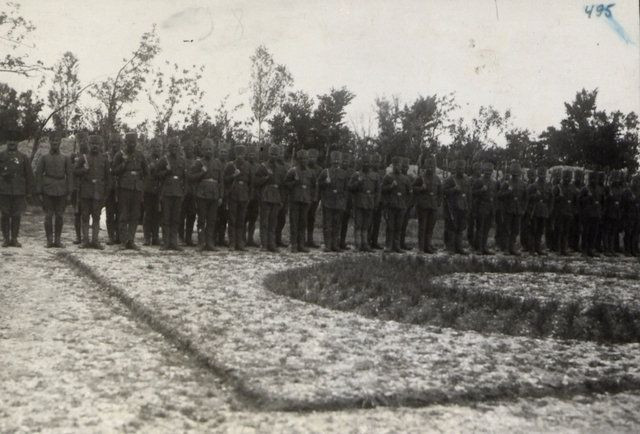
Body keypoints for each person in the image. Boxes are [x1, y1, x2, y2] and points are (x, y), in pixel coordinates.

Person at [35, 133, 73, 248]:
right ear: (50, 142)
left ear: (60, 142)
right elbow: (38, 174)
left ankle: (57, 240)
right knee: (48, 215)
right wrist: (39, 191)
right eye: (53, 141)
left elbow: (70, 175)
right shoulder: (44, 158)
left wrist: (69, 192)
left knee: (60, 216)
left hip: (61, 190)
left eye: (57, 141)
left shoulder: (65, 158)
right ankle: (49, 240)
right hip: (48, 189)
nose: (55, 143)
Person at [111, 132, 147, 250]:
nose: (132, 144)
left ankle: (131, 239)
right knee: (123, 215)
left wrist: (139, 176)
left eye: (134, 142)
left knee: (135, 215)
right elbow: (114, 171)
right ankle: (124, 240)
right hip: (124, 189)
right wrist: (124, 163)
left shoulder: (140, 155)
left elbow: (146, 171)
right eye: (129, 142)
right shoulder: (119, 155)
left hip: (136, 189)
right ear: (125, 142)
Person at [74, 135, 110, 249]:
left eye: (97, 144)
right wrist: (84, 170)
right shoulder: (83, 158)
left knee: (96, 217)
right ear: (89, 145)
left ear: (100, 146)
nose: (95, 146)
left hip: (98, 194)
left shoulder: (104, 159)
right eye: (92, 144)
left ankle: (95, 241)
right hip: (85, 193)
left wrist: (105, 194)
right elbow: (74, 171)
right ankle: (85, 241)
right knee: (85, 217)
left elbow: (108, 178)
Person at [189, 138, 223, 251]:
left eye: (210, 149)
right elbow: (191, 177)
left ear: (213, 150)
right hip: (202, 195)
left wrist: (221, 196)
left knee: (212, 220)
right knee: (201, 220)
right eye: (206, 149)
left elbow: (221, 181)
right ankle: (201, 242)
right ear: (202, 150)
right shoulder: (199, 163)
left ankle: (210, 243)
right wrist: (201, 173)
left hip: (214, 195)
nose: (208, 151)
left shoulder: (218, 162)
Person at [0, 140, 33, 247]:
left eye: (14, 141)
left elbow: (29, 175)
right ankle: (5, 239)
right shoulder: (1, 156)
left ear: (17, 143)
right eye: (9, 141)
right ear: (7, 143)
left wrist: (28, 192)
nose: (12, 143)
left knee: (16, 215)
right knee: (5, 215)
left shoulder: (23, 157)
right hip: (4, 190)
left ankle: (14, 239)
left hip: (19, 191)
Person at [254, 144, 287, 252]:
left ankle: (272, 244)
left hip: (276, 196)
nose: (274, 156)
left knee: (273, 222)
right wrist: (266, 178)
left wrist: (282, 199)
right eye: (272, 154)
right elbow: (256, 182)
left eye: (276, 154)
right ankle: (264, 244)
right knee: (264, 221)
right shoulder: (262, 167)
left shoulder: (281, 168)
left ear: (278, 155)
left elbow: (282, 185)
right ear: (269, 154)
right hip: (266, 195)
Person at [156, 137, 186, 251]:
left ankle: (174, 242)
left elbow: (185, 178)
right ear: (169, 148)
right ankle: (166, 242)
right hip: (167, 192)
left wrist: (183, 192)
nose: (174, 148)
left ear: (178, 148)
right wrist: (166, 171)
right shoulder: (164, 160)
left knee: (175, 218)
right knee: (166, 218)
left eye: (176, 147)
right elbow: (157, 175)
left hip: (178, 192)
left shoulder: (182, 160)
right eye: (172, 146)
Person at [284, 149, 314, 253]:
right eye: (302, 159)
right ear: (298, 160)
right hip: (295, 200)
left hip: (305, 200)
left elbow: (313, 186)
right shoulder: (293, 171)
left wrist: (311, 198)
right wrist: (294, 182)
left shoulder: (310, 172)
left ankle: (301, 244)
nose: (304, 161)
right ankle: (294, 245)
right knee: (294, 223)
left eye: (305, 159)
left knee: (303, 223)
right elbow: (286, 184)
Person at [318, 150, 348, 252]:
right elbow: (318, 185)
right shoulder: (325, 172)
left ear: (340, 161)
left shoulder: (344, 173)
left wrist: (343, 202)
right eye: (334, 161)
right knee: (327, 224)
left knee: (337, 225)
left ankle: (335, 245)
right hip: (328, 202)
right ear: (331, 161)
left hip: (339, 203)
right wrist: (325, 183)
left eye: (338, 161)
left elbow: (346, 189)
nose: (336, 162)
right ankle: (327, 245)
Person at [224, 144, 252, 250]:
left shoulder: (248, 165)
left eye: (242, 154)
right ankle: (232, 242)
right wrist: (233, 176)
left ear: (245, 154)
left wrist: (249, 195)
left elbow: (251, 182)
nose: (240, 156)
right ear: (235, 154)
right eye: (238, 153)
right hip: (233, 195)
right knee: (232, 219)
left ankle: (240, 243)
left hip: (244, 195)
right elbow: (225, 179)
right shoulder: (230, 165)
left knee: (241, 220)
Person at [413, 156, 442, 254]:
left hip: (433, 206)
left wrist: (438, 202)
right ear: (425, 166)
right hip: (423, 206)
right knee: (422, 227)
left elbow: (440, 192)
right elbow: (413, 189)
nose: (430, 168)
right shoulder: (421, 177)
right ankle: (421, 247)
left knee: (430, 228)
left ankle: (427, 246)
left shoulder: (437, 178)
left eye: (432, 166)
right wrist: (421, 188)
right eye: (429, 165)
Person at [381, 156, 411, 253]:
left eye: (399, 165)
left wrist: (406, 204)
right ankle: (389, 245)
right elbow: (382, 190)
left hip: (401, 206)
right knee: (390, 227)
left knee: (399, 226)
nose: (398, 167)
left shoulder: (405, 179)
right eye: (396, 165)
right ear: (393, 166)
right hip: (391, 206)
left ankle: (397, 246)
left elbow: (409, 193)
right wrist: (391, 186)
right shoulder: (388, 177)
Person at [348, 154, 377, 251]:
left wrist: (375, 202)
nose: (366, 164)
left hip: (370, 202)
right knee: (358, 225)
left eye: (368, 163)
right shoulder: (356, 175)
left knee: (366, 225)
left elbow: (378, 191)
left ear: (370, 164)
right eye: (364, 162)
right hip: (359, 202)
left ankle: (365, 244)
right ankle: (358, 245)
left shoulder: (375, 175)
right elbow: (350, 187)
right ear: (361, 164)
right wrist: (358, 182)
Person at [498, 161, 527, 256]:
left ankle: (512, 248)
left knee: (515, 230)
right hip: (508, 209)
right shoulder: (506, 184)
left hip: (518, 210)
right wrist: (508, 192)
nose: (515, 175)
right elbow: (500, 196)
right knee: (506, 229)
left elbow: (525, 198)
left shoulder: (523, 184)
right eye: (514, 173)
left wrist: (523, 209)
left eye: (517, 173)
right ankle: (505, 248)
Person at [443, 159, 470, 255]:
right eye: (459, 168)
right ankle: (450, 248)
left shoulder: (466, 179)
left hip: (463, 206)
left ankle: (459, 247)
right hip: (452, 207)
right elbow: (443, 191)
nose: (461, 170)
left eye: (462, 168)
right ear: (455, 169)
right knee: (451, 227)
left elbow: (468, 193)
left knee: (460, 228)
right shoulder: (450, 179)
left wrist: (468, 206)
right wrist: (453, 189)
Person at [472, 161, 496, 255]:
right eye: (486, 170)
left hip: (490, 207)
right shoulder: (479, 181)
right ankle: (479, 248)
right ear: (483, 170)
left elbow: (495, 195)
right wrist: (481, 190)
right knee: (480, 228)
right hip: (481, 207)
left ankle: (485, 247)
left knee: (486, 229)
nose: (488, 172)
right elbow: (473, 193)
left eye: (490, 170)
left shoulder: (494, 182)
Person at [552, 169, 578, 256]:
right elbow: (552, 200)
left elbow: (575, 200)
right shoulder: (557, 187)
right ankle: (558, 249)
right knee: (559, 231)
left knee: (566, 232)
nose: (567, 179)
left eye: (569, 177)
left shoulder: (572, 187)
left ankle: (564, 249)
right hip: (560, 213)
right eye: (566, 177)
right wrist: (559, 197)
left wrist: (573, 211)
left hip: (568, 213)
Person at [527, 166, 552, 255]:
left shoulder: (548, 185)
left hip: (544, 211)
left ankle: (538, 248)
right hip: (535, 210)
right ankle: (531, 249)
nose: (542, 176)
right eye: (541, 174)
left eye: (544, 174)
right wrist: (534, 195)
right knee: (533, 230)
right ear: (538, 175)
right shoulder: (533, 186)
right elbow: (527, 198)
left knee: (540, 230)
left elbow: (551, 199)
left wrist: (549, 209)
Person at [142, 138, 162, 246]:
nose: (157, 149)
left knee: (157, 214)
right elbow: (146, 173)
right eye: (155, 147)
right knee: (148, 214)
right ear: (151, 148)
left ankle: (155, 237)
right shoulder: (147, 159)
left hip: (159, 190)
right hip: (148, 189)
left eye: (159, 147)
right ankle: (146, 238)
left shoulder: (163, 159)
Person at [579, 171, 603, 257]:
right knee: (586, 233)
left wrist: (600, 211)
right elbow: (580, 201)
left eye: (595, 179)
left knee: (594, 233)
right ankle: (584, 250)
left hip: (596, 214)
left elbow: (602, 201)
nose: (594, 181)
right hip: (587, 214)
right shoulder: (585, 189)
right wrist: (588, 197)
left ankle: (590, 249)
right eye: (592, 179)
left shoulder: (599, 189)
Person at [71, 132, 89, 245]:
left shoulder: (89, 157)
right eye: (80, 141)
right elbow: (72, 171)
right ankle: (78, 236)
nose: (82, 144)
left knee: (85, 214)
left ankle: (85, 236)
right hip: (76, 188)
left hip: (86, 188)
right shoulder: (73, 156)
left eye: (84, 142)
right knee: (77, 214)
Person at [105, 134, 122, 245]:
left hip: (121, 189)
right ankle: (111, 236)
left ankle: (119, 236)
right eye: (112, 143)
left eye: (117, 142)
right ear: (109, 144)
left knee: (121, 213)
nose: (114, 145)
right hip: (109, 189)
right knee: (110, 213)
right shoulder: (105, 156)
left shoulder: (123, 156)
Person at [180, 139, 197, 246]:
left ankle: (188, 238)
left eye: (191, 149)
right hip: (183, 192)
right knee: (181, 215)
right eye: (187, 149)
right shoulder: (181, 161)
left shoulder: (197, 162)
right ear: (184, 150)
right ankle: (180, 237)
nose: (189, 151)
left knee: (192, 215)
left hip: (193, 192)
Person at [305, 148, 322, 248]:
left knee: (311, 218)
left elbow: (320, 185)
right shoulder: (304, 167)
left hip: (315, 197)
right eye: (310, 157)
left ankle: (310, 240)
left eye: (314, 157)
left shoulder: (319, 170)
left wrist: (317, 197)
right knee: (303, 218)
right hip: (305, 196)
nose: (312, 159)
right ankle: (301, 239)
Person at [368, 152, 384, 249]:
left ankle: (374, 241)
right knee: (369, 223)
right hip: (370, 201)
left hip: (380, 201)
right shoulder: (368, 173)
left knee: (377, 222)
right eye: (374, 162)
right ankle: (367, 241)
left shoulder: (382, 173)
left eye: (378, 162)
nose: (376, 164)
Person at [245, 145, 260, 247]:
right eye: (250, 154)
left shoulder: (258, 166)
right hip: (245, 194)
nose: (252, 156)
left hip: (255, 195)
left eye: (253, 154)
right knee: (244, 217)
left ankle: (250, 239)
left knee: (253, 218)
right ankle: (241, 238)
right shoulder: (244, 165)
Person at [215, 146, 230, 247]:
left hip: (226, 194)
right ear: (218, 152)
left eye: (225, 151)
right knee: (214, 217)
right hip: (215, 193)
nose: (223, 153)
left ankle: (221, 238)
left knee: (224, 217)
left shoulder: (229, 164)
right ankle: (213, 238)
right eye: (221, 151)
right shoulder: (215, 162)